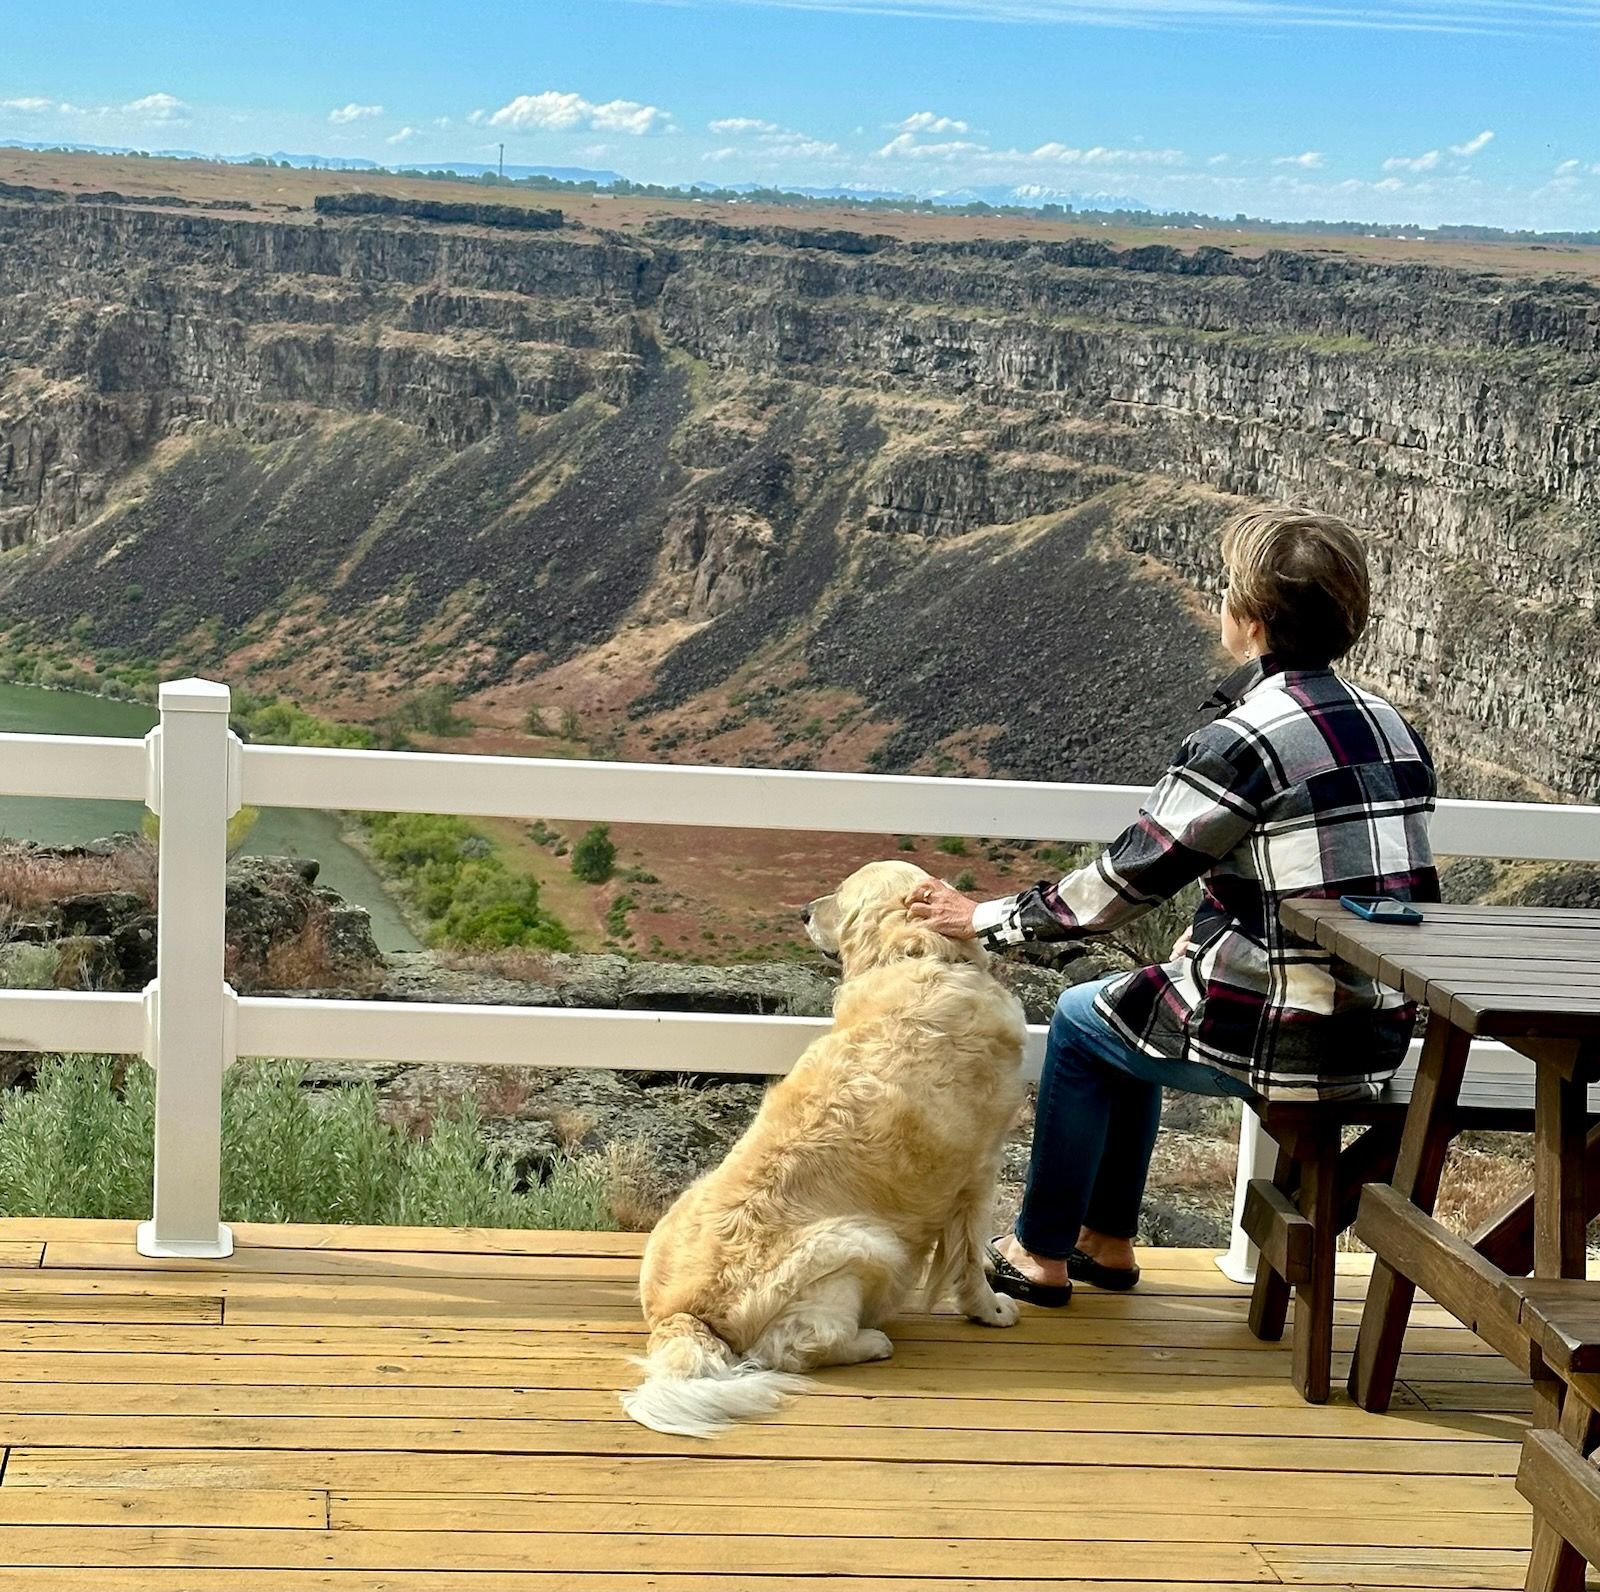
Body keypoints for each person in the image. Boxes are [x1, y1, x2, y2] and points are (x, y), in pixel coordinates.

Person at [908, 505, 1438, 1306]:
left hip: (1286, 1034)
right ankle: (1108, 1240)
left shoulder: (1246, 739)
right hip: (1379, 1023)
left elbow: (1125, 884)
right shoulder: (1392, 724)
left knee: (1086, 1026)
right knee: (1134, 1010)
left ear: (1250, 621)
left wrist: (981, 918)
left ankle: (1040, 1252)